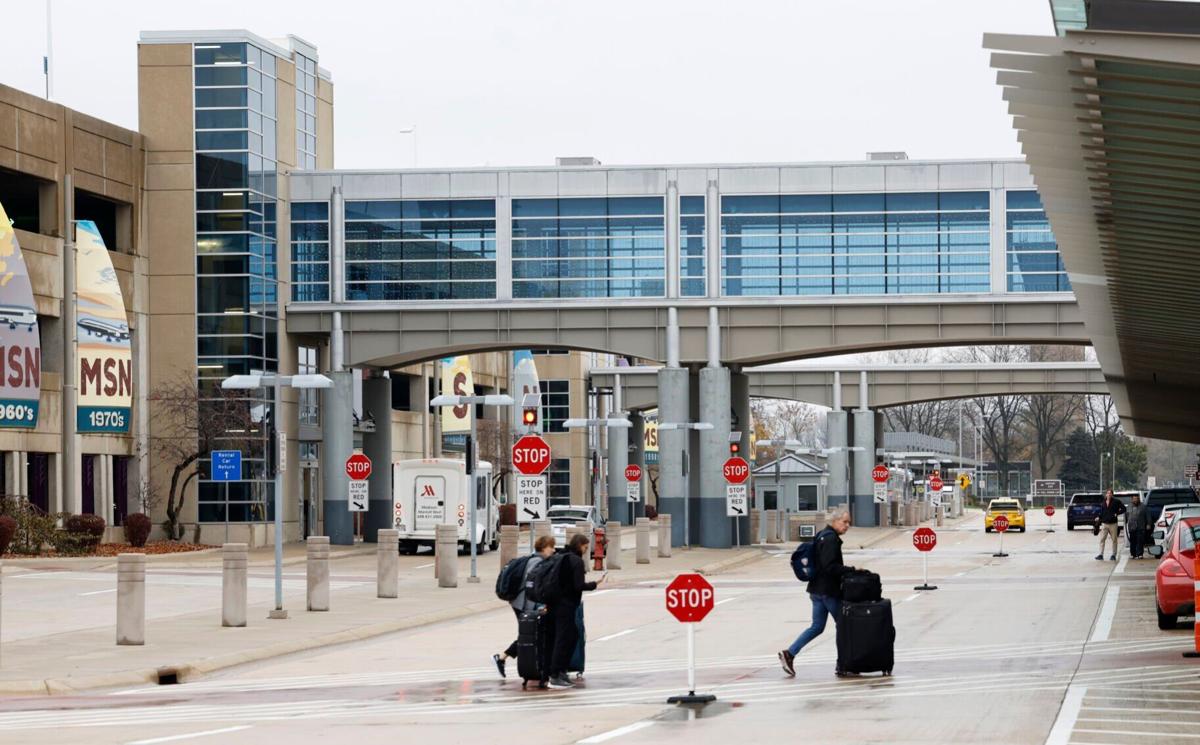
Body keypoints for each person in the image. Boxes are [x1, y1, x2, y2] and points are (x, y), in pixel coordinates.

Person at [778, 508, 853, 677]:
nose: (847, 526)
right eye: (845, 522)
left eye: (849, 522)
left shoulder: (821, 534)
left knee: (817, 627)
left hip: (816, 591)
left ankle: (789, 654)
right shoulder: (831, 539)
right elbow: (830, 566)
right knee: (844, 626)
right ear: (835, 521)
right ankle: (843, 664)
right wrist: (852, 570)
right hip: (828, 591)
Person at [545, 533, 605, 689]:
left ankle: (559, 672)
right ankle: (556, 674)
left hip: (554, 603)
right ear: (580, 545)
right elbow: (578, 586)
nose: (586, 550)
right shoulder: (576, 561)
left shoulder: (562, 556)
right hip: (566, 605)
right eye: (585, 547)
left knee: (565, 637)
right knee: (566, 638)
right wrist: (594, 583)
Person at [492, 535, 556, 678]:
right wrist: (536, 607)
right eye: (550, 547)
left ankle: (503, 658)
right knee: (530, 634)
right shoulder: (536, 562)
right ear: (544, 547)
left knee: (530, 634)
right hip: (524, 603)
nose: (553, 550)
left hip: (522, 602)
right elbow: (531, 585)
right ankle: (502, 657)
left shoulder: (537, 560)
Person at [1096, 489, 1126, 562]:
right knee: (1102, 539)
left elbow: (1124, 509)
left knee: (1114, 540)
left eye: (1110, 493)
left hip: (1113, 524)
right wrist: (1098, 517)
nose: (1109, 494)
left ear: (1112, 494)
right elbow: (1102, 512)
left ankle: (1113, 555)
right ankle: (1100, 554)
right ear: (1106, 494)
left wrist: (1117, 513)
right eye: (1108, 493)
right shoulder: (1103, 502)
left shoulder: (1116, 501)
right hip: (1104, 523)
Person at [1126, 493, 1148, 559]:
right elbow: (1126, 516)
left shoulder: (1143, 506)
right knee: (1132, 541)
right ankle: (1133, 554)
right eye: (1134, 499)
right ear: (1132, 500)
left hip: (1140, 526)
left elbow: (1147, 515)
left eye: (1137, 499)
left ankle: (1140, 554)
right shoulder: (1128, 506)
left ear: (1139, 499)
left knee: (1140, 541)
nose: (1135, 500)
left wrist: (1148, 524)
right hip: (1132, 527)